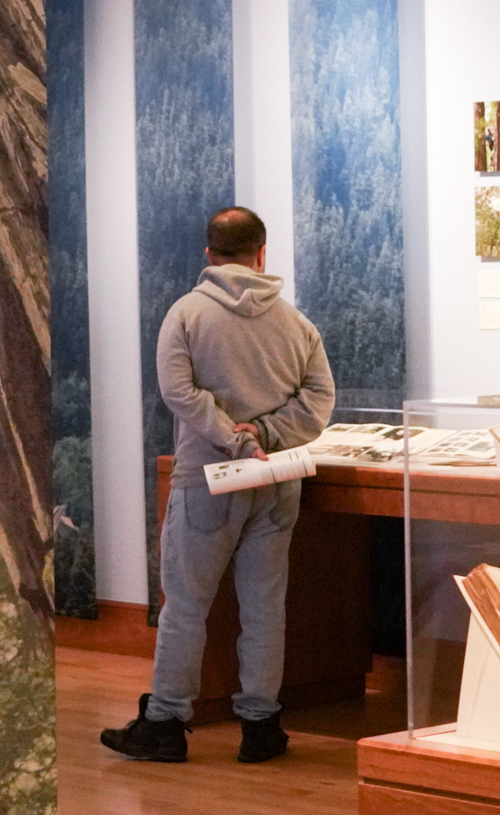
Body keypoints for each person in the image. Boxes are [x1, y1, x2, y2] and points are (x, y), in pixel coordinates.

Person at [101, 206, 335, 764]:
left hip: (206, 480)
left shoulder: (185, 315)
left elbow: (179, 394)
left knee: (185, 606)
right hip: (276, 481)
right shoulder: (296, 323)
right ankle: (260, 726)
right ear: (262, 253)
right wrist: (265, 434)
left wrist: (232, 437)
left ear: (208, 255)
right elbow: (318, 402)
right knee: (264, 608)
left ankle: (164, 722)